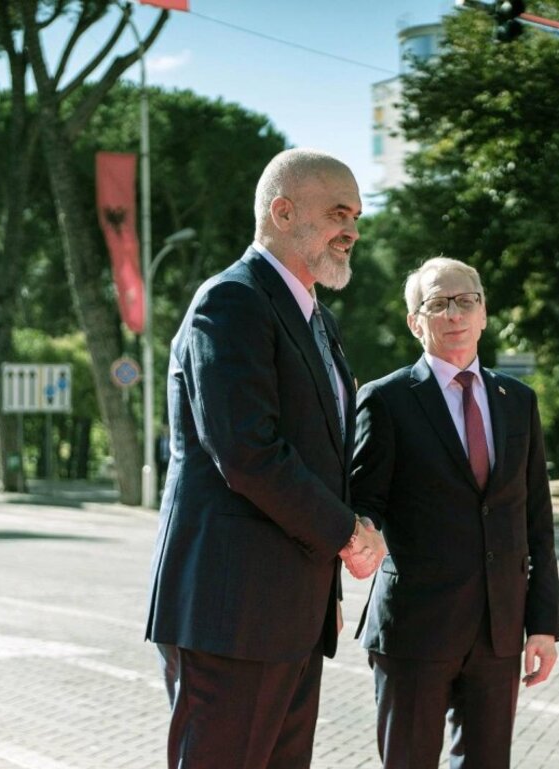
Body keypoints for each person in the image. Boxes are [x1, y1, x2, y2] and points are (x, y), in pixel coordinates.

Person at [144, 148, 386, 769]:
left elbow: (325, 454)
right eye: (338, 213)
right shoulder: (230, 302)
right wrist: (345, 534)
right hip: (232, 615)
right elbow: (249, 454)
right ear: (282, 211)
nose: (352, 230)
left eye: (356, 216)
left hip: (290, 613)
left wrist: (330, 567)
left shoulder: (318, 321)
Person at [350, 256, 559, 769]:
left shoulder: (519, 401)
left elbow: (536, 520)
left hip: (498, 632)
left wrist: (543, 624)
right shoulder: (386, 401)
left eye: (466, 300)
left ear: (484, 312)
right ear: (415, 321)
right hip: (415, 630)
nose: (455, 314)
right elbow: (362, 508)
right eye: (438, 303)